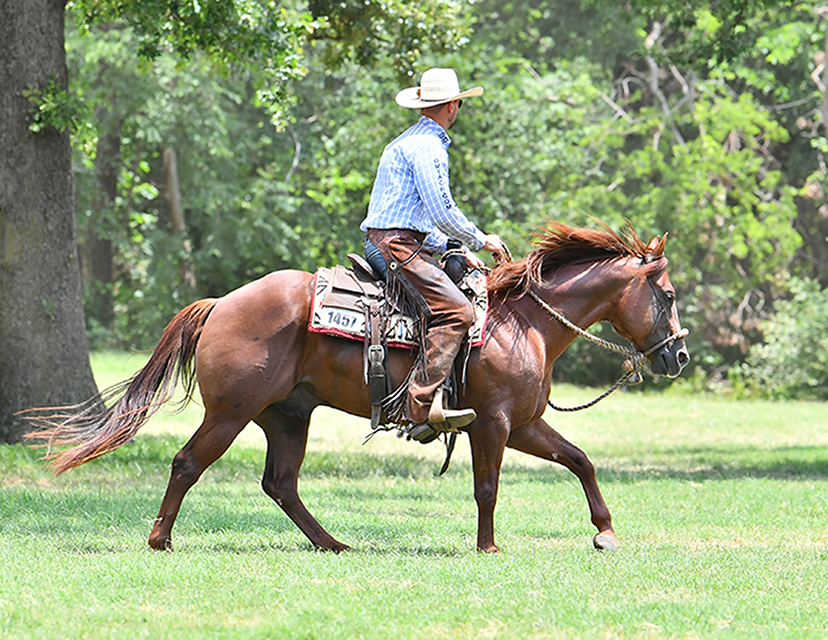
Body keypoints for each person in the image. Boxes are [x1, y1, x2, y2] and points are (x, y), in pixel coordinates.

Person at [360, 67, 507, 442]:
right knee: (457, 311)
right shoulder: (428, 146)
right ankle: (420, 409)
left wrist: (453, 247)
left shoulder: (408, 141)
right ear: (453, 105)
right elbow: (442, 211)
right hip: (396, 247)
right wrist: (481, 239)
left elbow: (414, 216)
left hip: (397, 241)